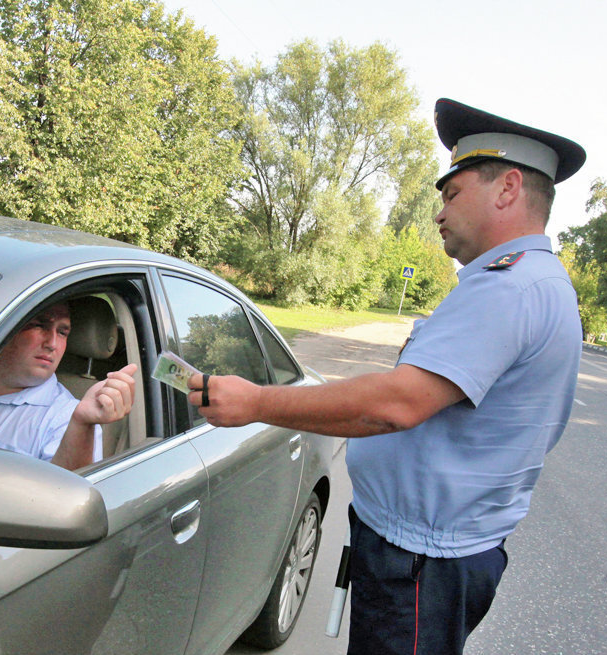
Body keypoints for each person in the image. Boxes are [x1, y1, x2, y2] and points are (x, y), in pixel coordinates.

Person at [187, 98, 586, 655]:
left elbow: (396, 405)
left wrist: (256, 402)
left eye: (452, 194)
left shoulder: (511, 287)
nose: (439, 213)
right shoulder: (524, 281)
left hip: (423, 564)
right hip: (424, 555)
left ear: (507, 187)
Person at [0, 301, 137, 472]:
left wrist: (81, 423)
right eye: (39, 325)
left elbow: (64, 497)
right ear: (2, 330)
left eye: (62, 332)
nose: (52, 343)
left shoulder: (67, 418)